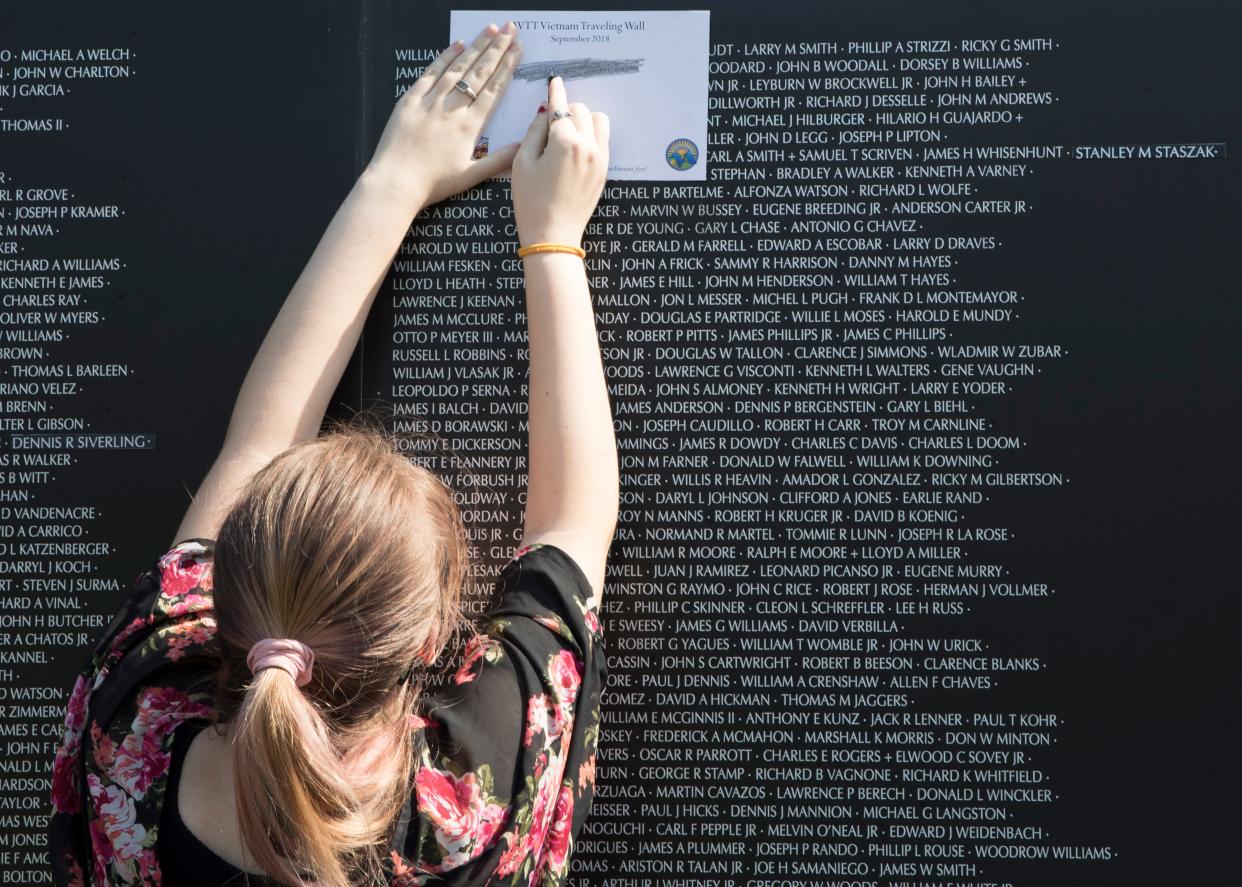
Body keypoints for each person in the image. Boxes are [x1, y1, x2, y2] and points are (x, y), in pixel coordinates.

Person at [47, 21, 618, 887]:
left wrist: (393, 181)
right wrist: (549, 234)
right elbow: (573, 523)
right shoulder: (472, 806)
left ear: (226, 602)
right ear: (434, 637)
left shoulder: (137, 733)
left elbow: (260, 444)